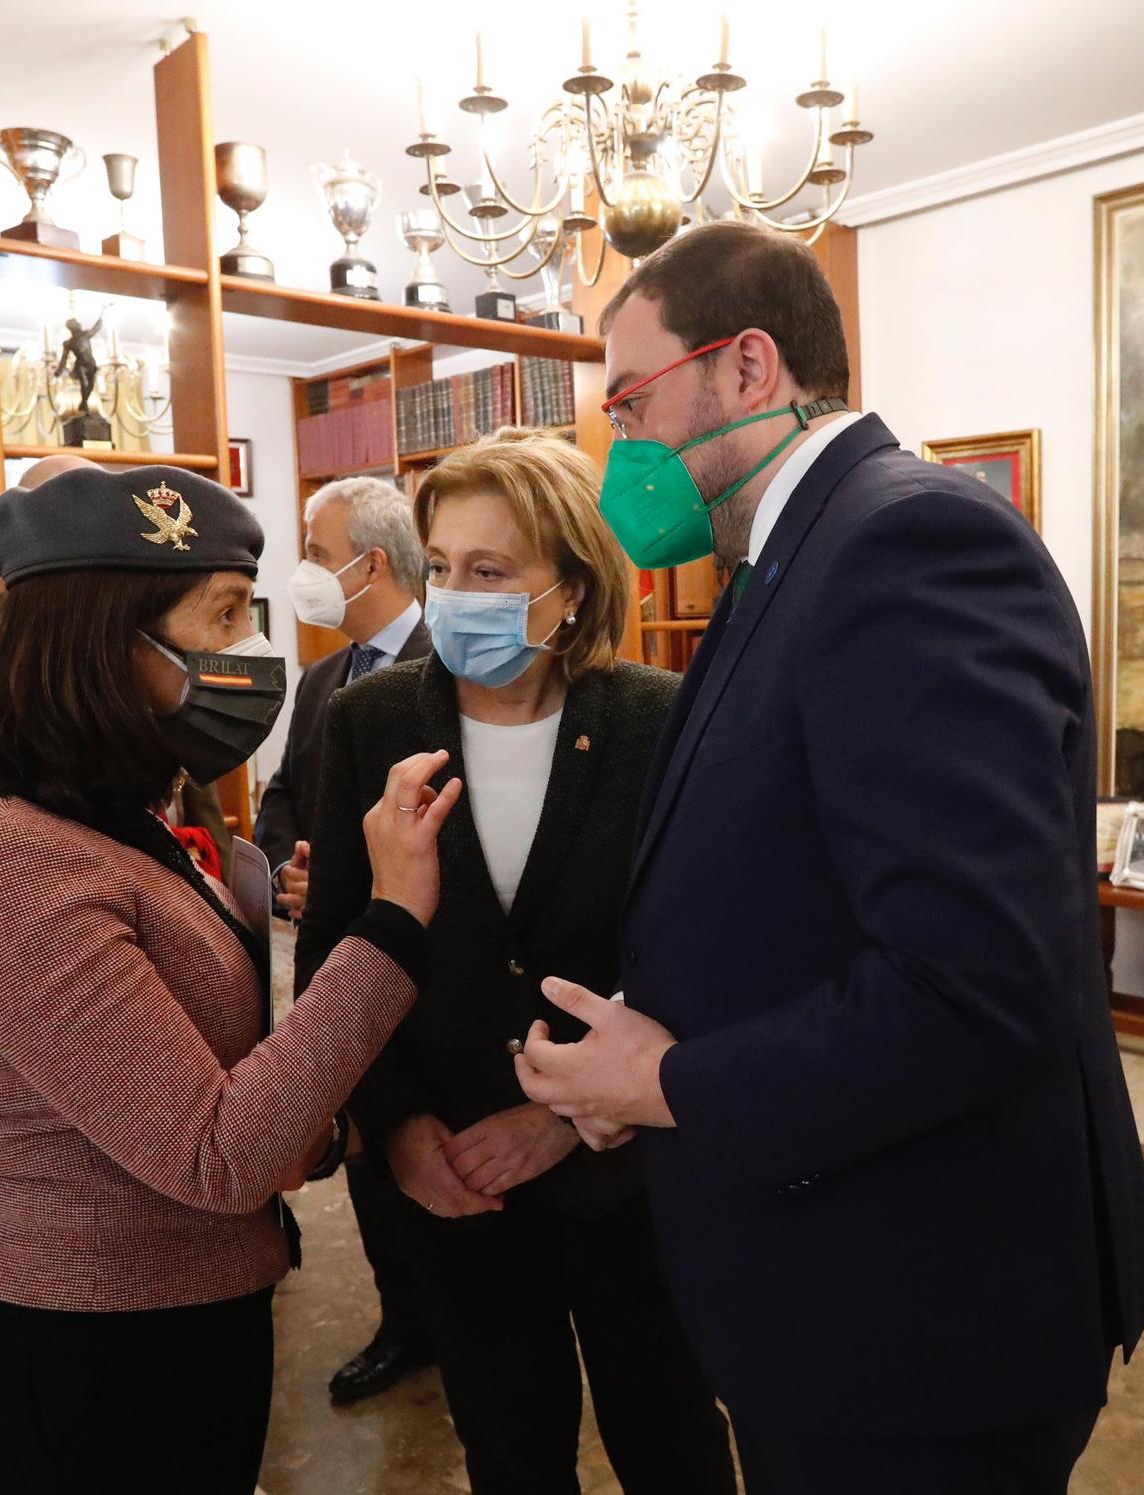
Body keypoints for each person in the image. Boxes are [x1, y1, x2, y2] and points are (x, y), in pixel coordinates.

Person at [513, 220, 1144, 1494]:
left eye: (633, 404)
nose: (621, 453)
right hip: (830, 1272)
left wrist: (676, 1084)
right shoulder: (781, 563)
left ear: (748, 368)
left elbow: (974, 983)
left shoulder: (906, 545)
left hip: (919, 1314)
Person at [0, 463, 458, 1495]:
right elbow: (219, 1152)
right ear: (107, 644)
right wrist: (389, 922)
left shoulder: (134, 826)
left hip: (194, 1320)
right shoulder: (11, 863)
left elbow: (230, 1087)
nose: (247, 654)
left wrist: (336, 1129)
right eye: (220, 619)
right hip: (90, 1355)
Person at [294, 429, 734, 1495]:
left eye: (488, 572)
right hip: (449, 1179)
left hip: (625, 1169)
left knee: (670, 1435)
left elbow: (701, 945)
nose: (454, 597)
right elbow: (336, 948)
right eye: (440, 567)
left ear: (572, 589)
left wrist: (566, 1115)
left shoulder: (659, 720)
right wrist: (397, 1129)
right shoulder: (368, 719)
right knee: (507, 1447)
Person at [253, 474, 436, 1405]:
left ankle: (463, 1317)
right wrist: (290, 864)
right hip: (338, 957)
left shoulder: (457, 659)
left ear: (371, 561)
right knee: (370, 1146)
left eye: (319, 554)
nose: (308, 574)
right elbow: (282, 794)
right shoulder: (325, 675)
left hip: (429, 959)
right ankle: (405, 1320)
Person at [0, 453, 228, 860]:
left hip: (163, 857)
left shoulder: (143, 626)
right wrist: (64, 771)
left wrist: (225, 881)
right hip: (38, 860)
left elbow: (190, 767)